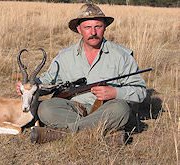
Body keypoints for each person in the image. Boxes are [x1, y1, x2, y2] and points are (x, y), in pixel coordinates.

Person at [18, 3, 147, 144]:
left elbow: (140, 91)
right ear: (79, 29)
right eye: (87, 27)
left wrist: (115, 93)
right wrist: (28, 87)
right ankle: (101, 133)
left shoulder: (122, 55)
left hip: (107, 109)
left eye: (98, 26)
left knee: (121, 109)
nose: (93, 32)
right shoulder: (64, 56)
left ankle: (61, 134)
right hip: (74, 109)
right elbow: (47, 81)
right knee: (45, 108)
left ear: (105, 27)